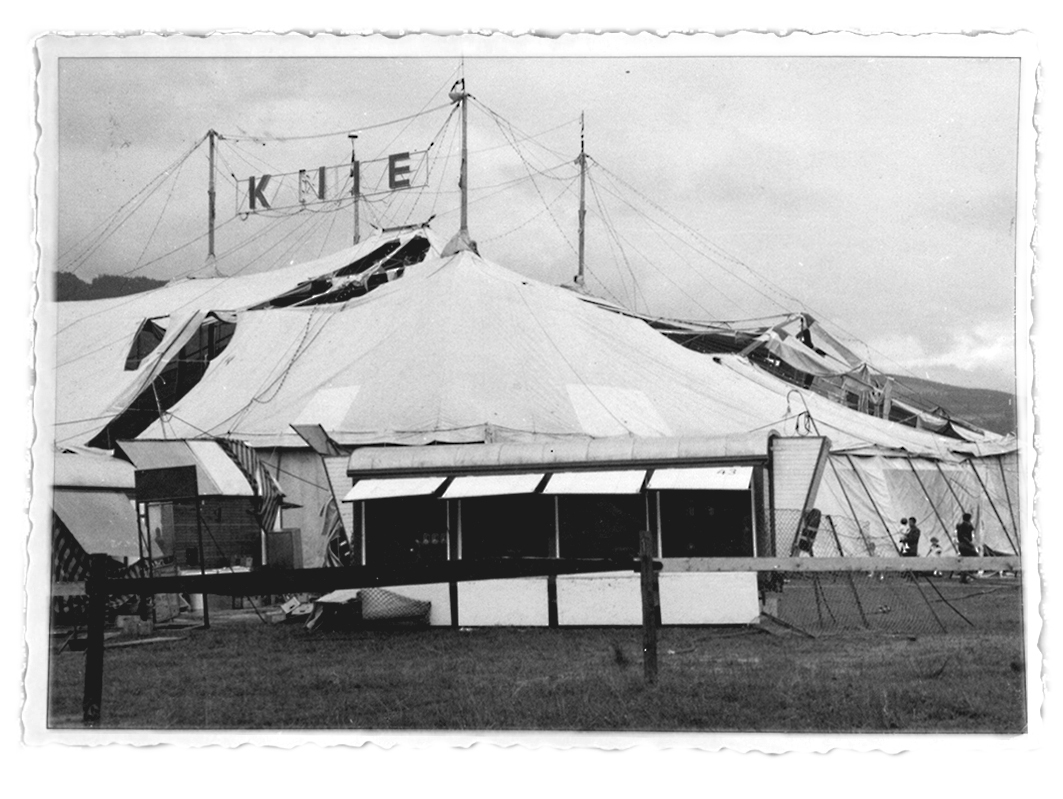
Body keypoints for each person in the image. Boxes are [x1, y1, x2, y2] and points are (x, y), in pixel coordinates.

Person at [955, 512, 978, 583]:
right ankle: (969, 574)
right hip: (966, 544)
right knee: (974, 557)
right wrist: (970, 543)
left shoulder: (960, 525)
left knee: (965, 560)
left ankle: (963, 578)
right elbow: (964, 536)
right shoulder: (967, 525)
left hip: (961, 545)